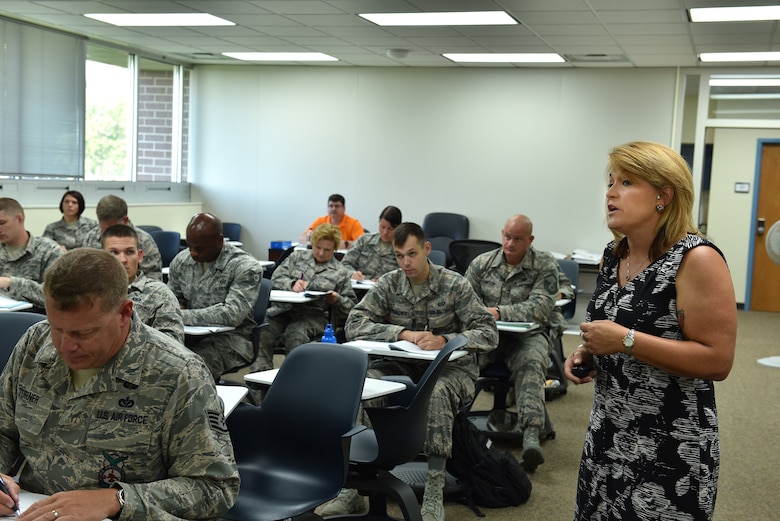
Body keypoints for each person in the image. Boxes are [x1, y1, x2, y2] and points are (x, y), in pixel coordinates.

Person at [565, 141, 737, 520]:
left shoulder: (697, 259)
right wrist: (588, 352)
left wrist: (625, 341)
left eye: (626, 182)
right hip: (608, 434)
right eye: (610, 182)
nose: (610, 193)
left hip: (670, 447)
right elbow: (611, 324)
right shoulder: (615, 254)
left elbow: (717, 360)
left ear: (663, 195)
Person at [0, 248, 239, 521]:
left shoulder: (177, 373)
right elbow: (3, 430)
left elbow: (215, 488)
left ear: (124, 313)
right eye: (57, 328)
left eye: (84, 333)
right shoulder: (35, 344)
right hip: (31, 510)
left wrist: (118, 499)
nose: (65, 346)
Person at [330, 222, 497, 521]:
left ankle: (434, 491)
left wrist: (445, 339)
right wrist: (402, 333)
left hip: (450, 368)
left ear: (426, 249)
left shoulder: (454, 284)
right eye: (398, 255)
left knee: (437, 392)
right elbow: (354, 323)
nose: (406, 262)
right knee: (366, 386)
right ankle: (353, 489)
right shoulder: (390, 283)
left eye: (411, 254)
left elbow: (488, 332)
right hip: (401, 364)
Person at [464, 214, 560, 471]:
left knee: (532, 362)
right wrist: (484, 317)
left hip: (526, 337)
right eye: (507, 236)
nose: (510, 243)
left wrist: (499, 312)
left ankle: (530, 436)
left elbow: (540, 308)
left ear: (530, 239)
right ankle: (454, 427)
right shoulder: (481, 264)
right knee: (459, 359)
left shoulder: (544, 264)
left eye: (518, 239)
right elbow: (464, 304)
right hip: (487, 337)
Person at [167, 212, 263, 380]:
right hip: (189, 335)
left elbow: (231, 314)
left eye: (199, 248)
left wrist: (182, 315)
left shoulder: (245, 267)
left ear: (219, 240)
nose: (193, 253)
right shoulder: (181, 261)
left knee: (191, 369)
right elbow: (171, 301)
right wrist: (177, 308)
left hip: (232, 340)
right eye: (189, 246)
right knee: (160, 362)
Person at [259, 223, 357, 370]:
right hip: (283, 311)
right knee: (262, 330)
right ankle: (260, 382)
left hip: (314, 316)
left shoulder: (340, 271)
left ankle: (295, 380)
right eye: (318, 247)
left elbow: (352, 307)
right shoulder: (297, 257)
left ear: (335, 249)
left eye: (327, 250)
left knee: (296, 334)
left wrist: (337, 299)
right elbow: (275, 278)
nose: (321, 253)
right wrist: (292, 284)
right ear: (312, 244)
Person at [102, 224, 184, 344]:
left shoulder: (160, 294)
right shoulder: (91, 293)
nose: (123, 259)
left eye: (129, 252)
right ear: (103, 256)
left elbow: (174, 346)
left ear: (140, 256)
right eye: (114, 252)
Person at [0, 197, 62, 309]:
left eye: (2, 223)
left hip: (33, 319)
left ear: (19, 219)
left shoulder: (49, 250)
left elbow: (56, 297)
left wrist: (11, 283)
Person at [82, 195, 163, 281]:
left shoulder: (144, 241)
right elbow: (85, 271)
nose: (108, 233)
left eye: (111, 228)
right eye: (103, 228)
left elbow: (153, 278)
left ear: (125, 220)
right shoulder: (91, 237)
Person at [341, 205, 402, 281]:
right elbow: (345, 264)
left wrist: (383, 283)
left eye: (390, 229)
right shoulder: (365, 240)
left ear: (398, 228)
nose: (385, 232)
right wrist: (352, 274)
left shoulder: (401, 248)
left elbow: (404, 277)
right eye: (382, 227)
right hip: (359, 288)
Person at [300, 194, 364, 249]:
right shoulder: (320, 221)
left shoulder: (353, 223)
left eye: (337, 206)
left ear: (344, 208)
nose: (333, 209)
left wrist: (343, 244)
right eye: (331, 206)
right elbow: (303, 237)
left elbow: (362, 243)